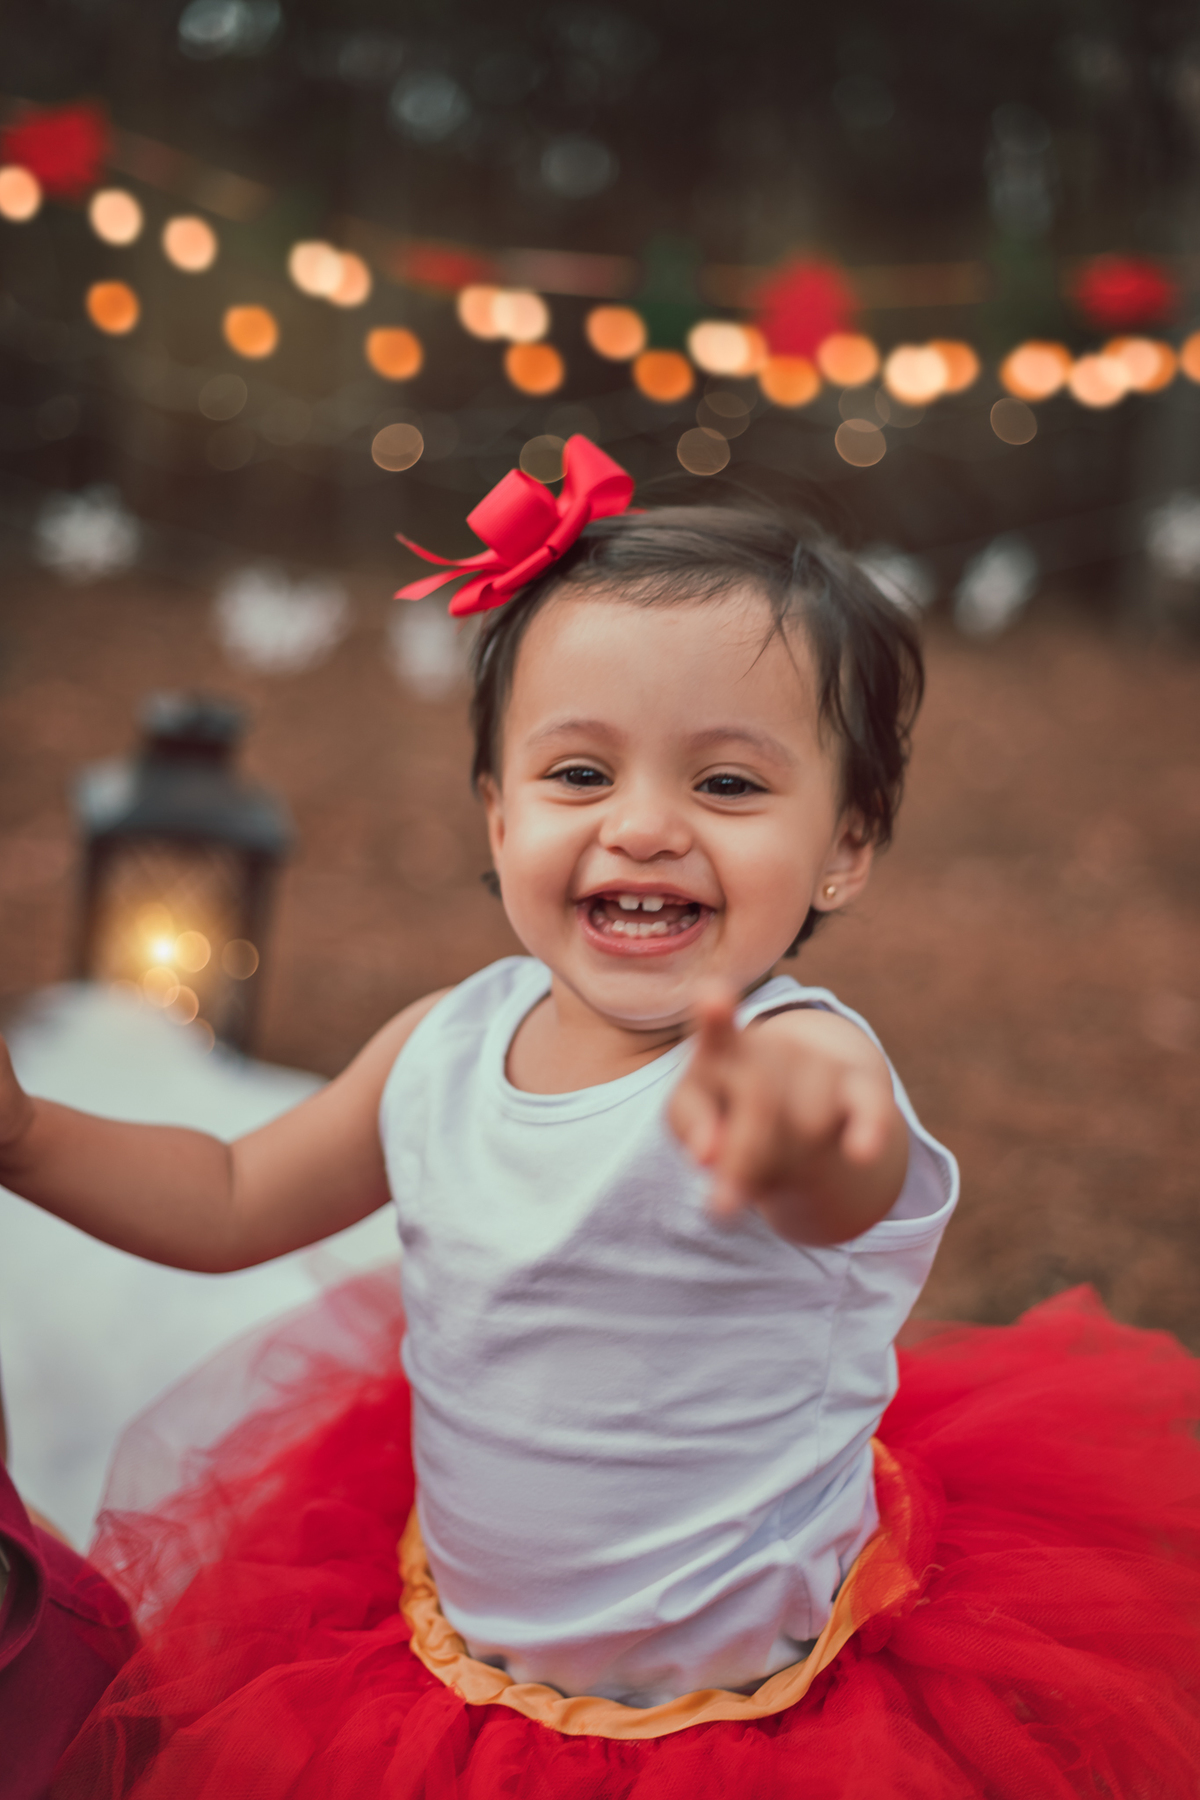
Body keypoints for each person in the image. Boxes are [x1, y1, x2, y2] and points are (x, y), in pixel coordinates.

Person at [1, 440, 1196, 1797]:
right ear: (499, 816)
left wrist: (791, 1146)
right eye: (580, 776)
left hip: (755, 1718)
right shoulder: (444, 1045)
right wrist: (32, 1136)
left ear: (846, 844)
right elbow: (228, 1196)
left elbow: (844, 1168)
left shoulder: (803, 1063)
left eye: (728, 786)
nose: (644, 828)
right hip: (454, 1676)